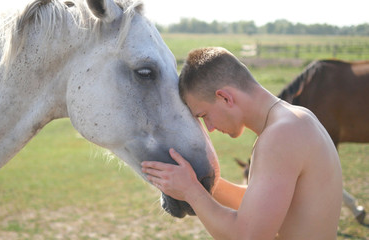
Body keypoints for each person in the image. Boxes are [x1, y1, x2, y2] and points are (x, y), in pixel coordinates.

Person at [141, 47, 343, 240]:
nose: (209, 127)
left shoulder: (280, 136)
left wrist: (190, 191)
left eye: (204, 115)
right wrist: (202, 182)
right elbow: (261, 206)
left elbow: (248, 236)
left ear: (225, 98)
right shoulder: (297, 119)